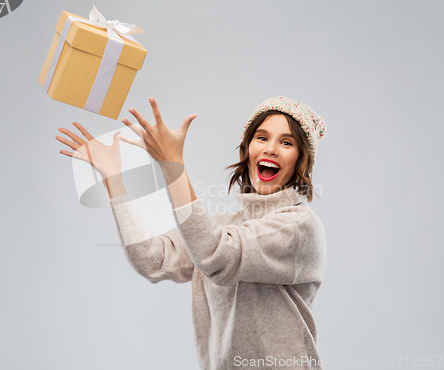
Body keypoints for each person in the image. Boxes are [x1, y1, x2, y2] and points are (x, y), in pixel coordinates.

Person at [55, 96, 327, 370]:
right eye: (261, 137)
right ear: (246, 149)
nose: (271, 149)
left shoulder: (299, 227)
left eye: (286, 143)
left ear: (301, 161)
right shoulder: (226, 227)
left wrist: (173, 166)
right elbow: (153, 261)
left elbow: (216, 255)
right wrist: (113, 177)